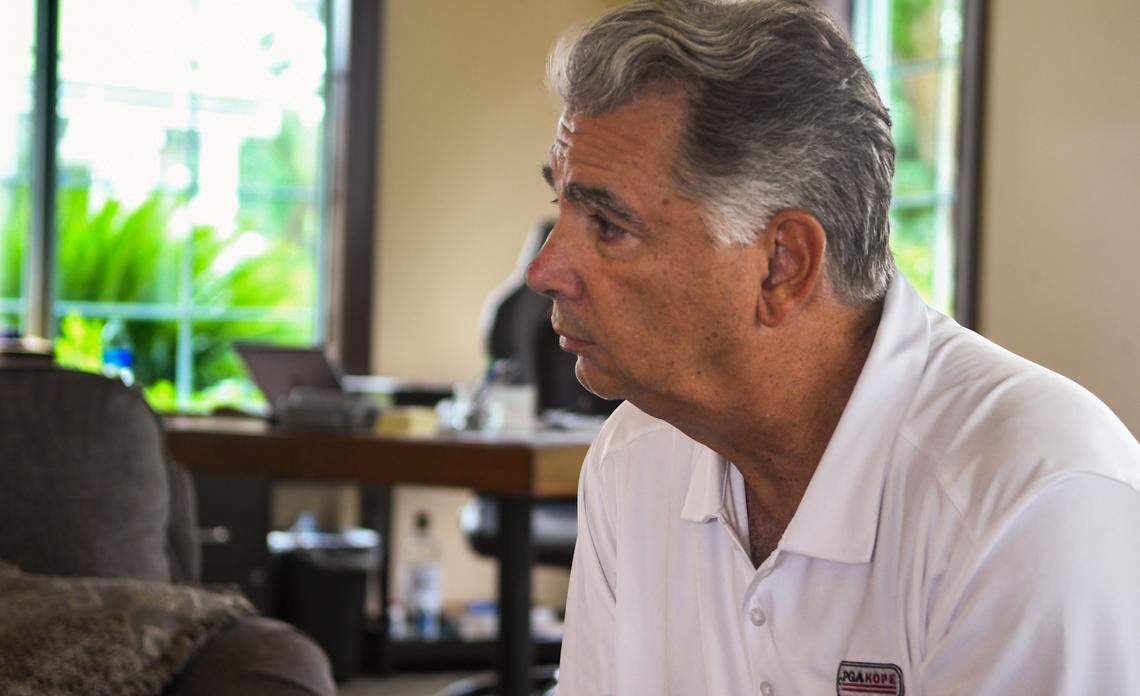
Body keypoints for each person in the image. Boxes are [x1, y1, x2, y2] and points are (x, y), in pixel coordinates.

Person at [524, 1, 1140, 694]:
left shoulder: (1030, 494)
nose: (544, 270)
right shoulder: (634, 459)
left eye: (607, 224)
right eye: (562, 210)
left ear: (783, 263)